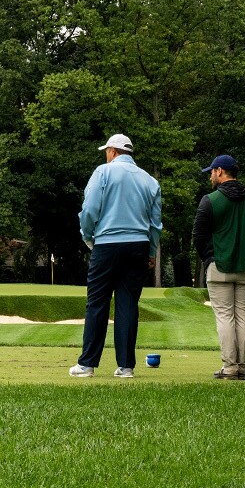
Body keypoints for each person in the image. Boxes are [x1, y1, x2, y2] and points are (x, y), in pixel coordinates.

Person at [70, 134, 162, 379]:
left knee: (97, 303)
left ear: (112, 151)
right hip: (138, 246)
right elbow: (155, 224)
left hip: (107, 245)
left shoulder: (103, 172)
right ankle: (126, 367)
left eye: (106, 151)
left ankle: (87, 365)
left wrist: (87, 236)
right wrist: (151, 252)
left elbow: (89, 209)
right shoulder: (150, 180)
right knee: (128, 305)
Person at [193, 154, 245, 380]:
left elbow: (198, 235)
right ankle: (243, 367)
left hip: (219, 267)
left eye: (212, 172)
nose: (210, 177)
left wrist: (209, 259)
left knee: (225, 316)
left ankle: (230, 367)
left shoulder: (210, 200)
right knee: (243, 316)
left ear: (220, 172)